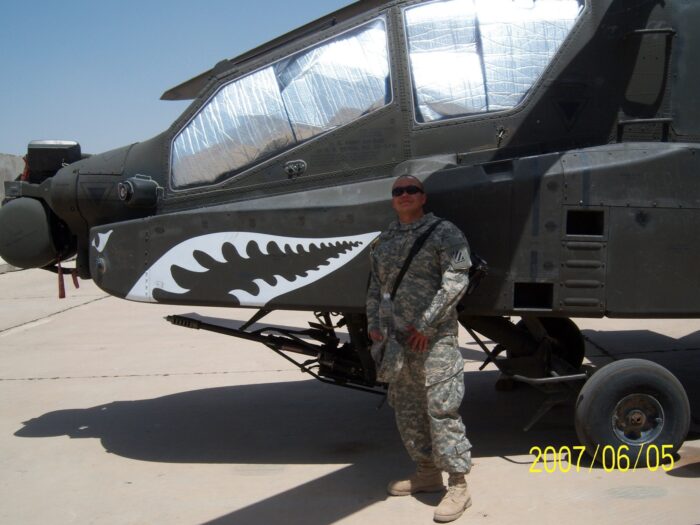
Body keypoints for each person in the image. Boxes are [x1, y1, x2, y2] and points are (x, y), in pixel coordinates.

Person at [366, 174, 473, 523]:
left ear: (423, 196)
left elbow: (456, 280)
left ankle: (458, 485)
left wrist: (426, 325)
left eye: (412, 189)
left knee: (441, 408)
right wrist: (374, 326)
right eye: (398, 191)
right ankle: (427, 472)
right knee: (408, 411)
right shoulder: (384, 239)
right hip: (397, 342)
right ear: (393, 199)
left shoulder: (446, 232)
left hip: (434, 339)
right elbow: (376, 288)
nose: (405, 195)